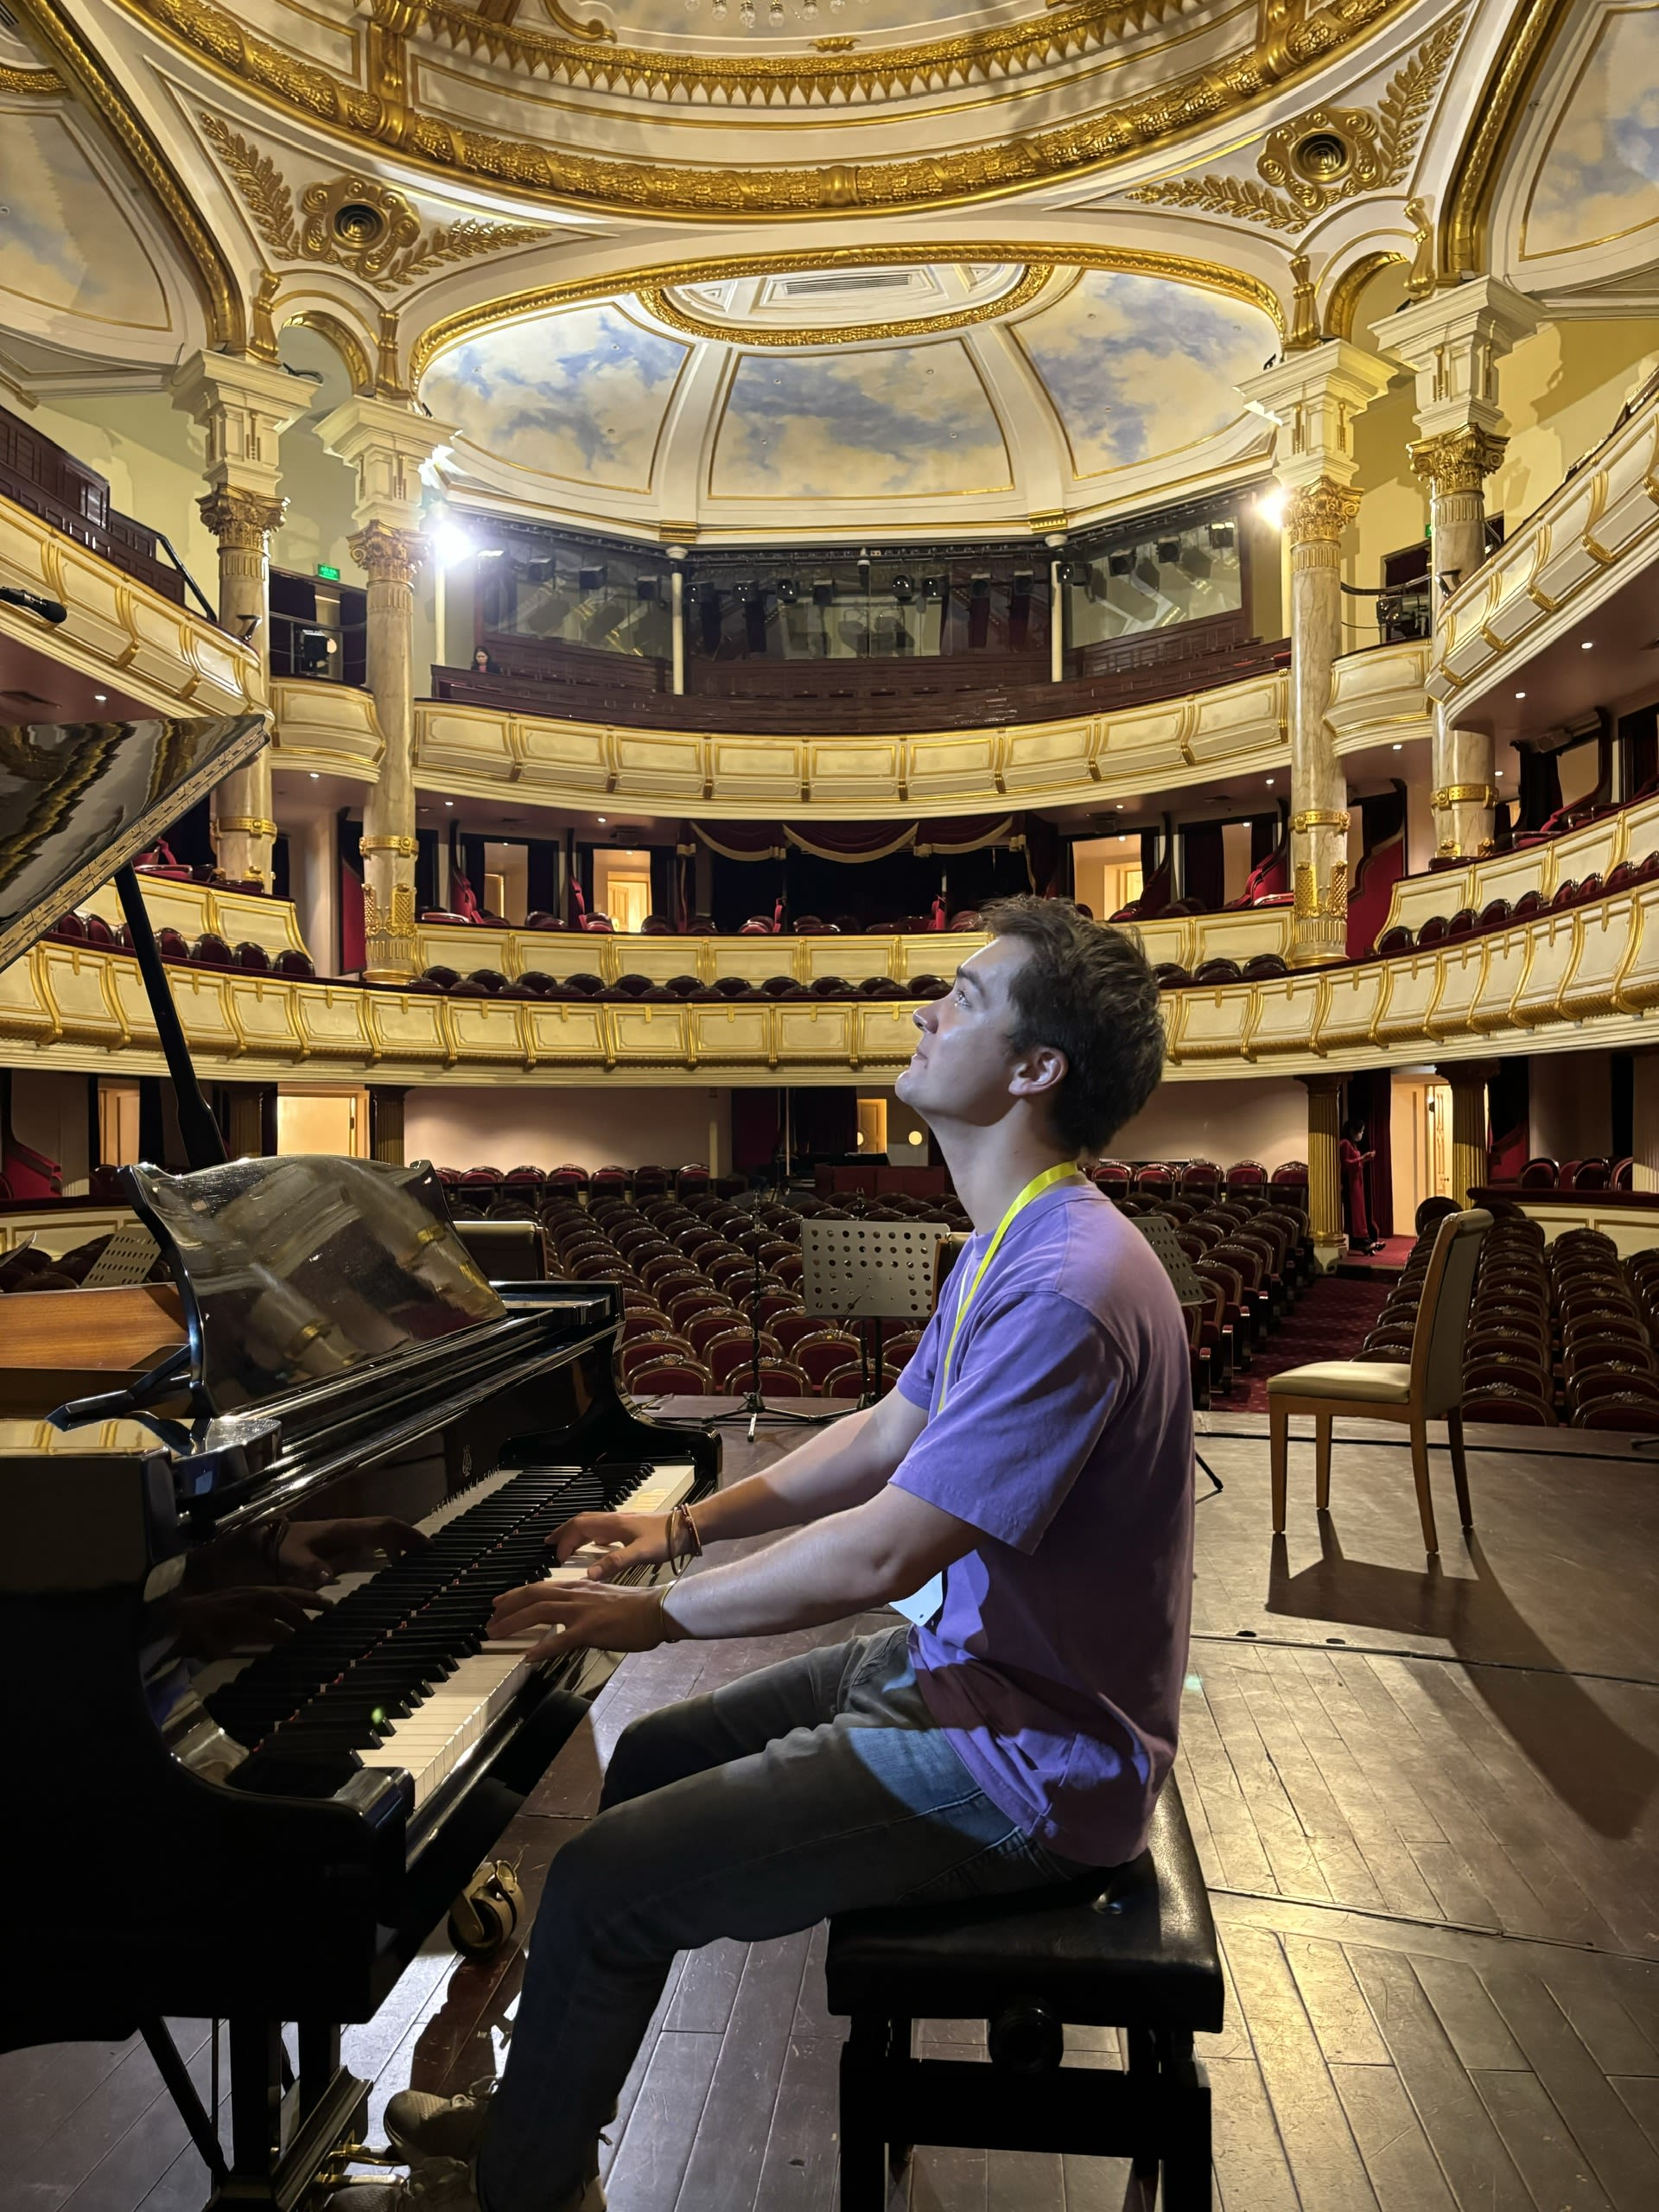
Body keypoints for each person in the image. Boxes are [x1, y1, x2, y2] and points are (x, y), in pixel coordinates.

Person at [337, 896, 1192, 2212]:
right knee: (653, 1757)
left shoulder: (1068, 1285)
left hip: (1040, 1759)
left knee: (606, 1883)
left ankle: (523, 2190)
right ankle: (538, 2124)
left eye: (964, 997)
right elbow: (884, 1432)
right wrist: (681, 1526)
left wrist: (654, 1614)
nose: (927, 1011)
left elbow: (882, 1551)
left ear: (1037, 1069)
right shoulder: (1014, 1240)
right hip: (971, 1676)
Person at [1340, 1116, 1377, 1254]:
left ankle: (1364, 1241)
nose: (1361, 1134)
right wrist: (1363, 1157)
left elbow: (1356, 1163)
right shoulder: (1344, 1143)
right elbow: (1346, 1163)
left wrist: (1364, 1159)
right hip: (1350, 1183)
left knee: (1359, 1212)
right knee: (1355, 1213)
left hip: (1357, 1181)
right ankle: (1362, 1241)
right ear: (1352, 1131)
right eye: (1360, 1131)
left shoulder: (1352, 1144)